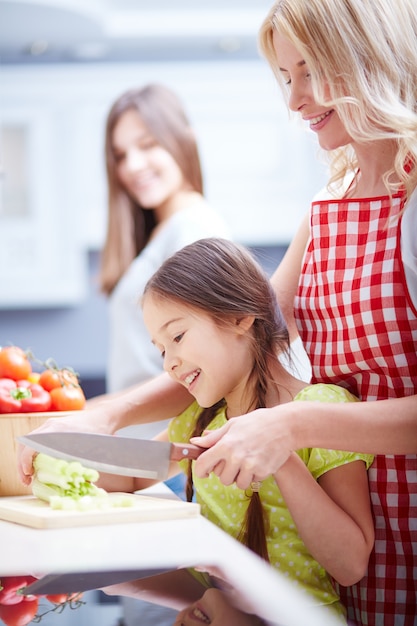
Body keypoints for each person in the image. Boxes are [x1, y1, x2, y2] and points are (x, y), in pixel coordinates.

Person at [18, 1, 417, 623]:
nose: (295, 100)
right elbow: (252, 337)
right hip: (348, 544)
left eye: (309, 70)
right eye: (286, 77)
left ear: (366, 57)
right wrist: (106, 419)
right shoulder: (325, 214)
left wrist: (291, 430)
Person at [97, 238, 374, 623]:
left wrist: (279, 452)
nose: (169, 365)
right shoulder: (202, 417)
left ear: (239, 318)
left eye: (177, 337)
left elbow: (350, 565)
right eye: (161, 350)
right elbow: (131, 479)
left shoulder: (321, 408)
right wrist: (54, 469)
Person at [93, 84, 229, 626]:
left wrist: (106, 415)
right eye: (121, 155)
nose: (134, 165)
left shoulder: (193, 231)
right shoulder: (170, 229)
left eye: (148, 144)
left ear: (182, 140)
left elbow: (207, 371)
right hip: (142, 466)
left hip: (162, 467)